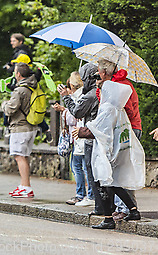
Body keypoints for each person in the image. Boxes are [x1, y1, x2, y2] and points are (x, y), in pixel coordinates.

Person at [74, 80, 144, 229]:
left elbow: (99, 129)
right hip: (118, 149)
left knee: (103, 182)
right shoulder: (119, 109)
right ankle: (133, 210)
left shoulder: (108, 109)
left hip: (107, 151)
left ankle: (107, 218)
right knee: (114, 183)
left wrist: (81, 132)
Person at [97, 59, 141, 221]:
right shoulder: (113, 84)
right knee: (116, 170)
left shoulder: (121, 85)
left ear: (104, 72)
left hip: (127, 129)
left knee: (122, 169)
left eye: (99, 71)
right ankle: (125, 207)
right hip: (121, 128)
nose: (97, 74)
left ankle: (128, 208)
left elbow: (124, 108)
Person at [58, 63, 102, 215]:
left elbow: (77, 112)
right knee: (89, 168)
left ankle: (95, 201)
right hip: (88, 134)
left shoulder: (90, 95)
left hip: (89, 135)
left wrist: (66, 98)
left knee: (89, 169)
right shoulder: (91, 93)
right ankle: (98, 202)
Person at [53, 72, 94, 206]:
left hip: (81, 136)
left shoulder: (82, 96)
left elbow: (75, 115)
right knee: (82, 167)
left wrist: (64, 109)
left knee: (81, 167)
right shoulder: (81, 96)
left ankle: (86, 195)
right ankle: (84, 194)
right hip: (78, 137)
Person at [2, 62, 38, 198]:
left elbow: (11, 108)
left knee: (19, 156)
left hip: (20, 127)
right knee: (24, 156)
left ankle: (26, 187)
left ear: (18, 74)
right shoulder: (32, 86)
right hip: (30, 126)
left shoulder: (20, 90)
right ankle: (24, 185)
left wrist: (4, 105)